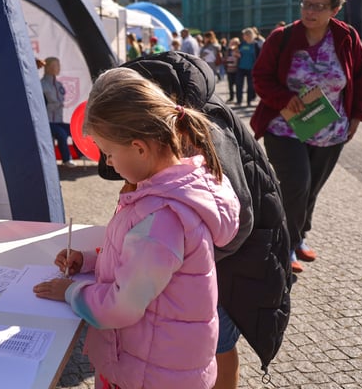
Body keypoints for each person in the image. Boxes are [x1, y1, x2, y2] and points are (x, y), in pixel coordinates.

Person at [89, 52, 291, 388]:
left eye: (109, 152)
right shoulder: (166, 138)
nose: (108, 164)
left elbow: (234, 222)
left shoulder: (199, 138)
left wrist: (181, 260)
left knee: (220, 347)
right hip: (194, 286)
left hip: (231, 272)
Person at [33, 67, 241, 389]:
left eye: (109, 153)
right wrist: (88, 259)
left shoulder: (161, 217)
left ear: (139, 148)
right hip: (152, 360)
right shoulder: (165, 191)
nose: (109, 163)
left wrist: (70, 291)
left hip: (151, 373)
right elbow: (132, 257)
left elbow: (122, 306)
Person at [251, 0, 362, 274]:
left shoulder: (346, 37)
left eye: (319, 6)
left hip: (330, 129)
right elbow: (261, 77)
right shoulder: (282, 37)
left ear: (335, 9)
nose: (310, 12)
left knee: (312, 188)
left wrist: (357, 115)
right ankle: (285, 244)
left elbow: (358, 80)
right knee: (296, 186)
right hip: (285, 127)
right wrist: (283, 98)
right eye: (306, 4)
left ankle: (301, 235)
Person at [41, 56, 76, 167]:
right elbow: (41, 105)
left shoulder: (59, 85)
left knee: (74, 129)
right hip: (47, 122)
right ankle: (66, 159)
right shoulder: (41, 85)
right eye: (56, 65)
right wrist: (54, 104)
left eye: (59, 65)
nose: (59, 68)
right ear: (48, 67)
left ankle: (81, 154)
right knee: (61, 133)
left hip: (58, 120)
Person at [235, 28, 259, 106]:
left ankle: (249, 101)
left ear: (249, 35)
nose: (243, 36)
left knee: (250, 86)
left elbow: (259, 56)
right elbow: (238, 53)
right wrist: (237, 55)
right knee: (239, 84)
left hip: (251, 68)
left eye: (244, 35)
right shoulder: (242, 44)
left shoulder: (255, 45)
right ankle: (239, 101)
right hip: (241, 67)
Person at [224, 37, 241, 103]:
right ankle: (231, 97)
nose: (233, 44)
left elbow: (240, 58)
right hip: (229, 70)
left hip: (237, 70)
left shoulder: (239, 50)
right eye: (232, 43)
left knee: (238, 85)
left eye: (235, 43)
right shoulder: (228, 50)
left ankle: (238, 98)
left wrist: (237, 55)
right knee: (230, 85)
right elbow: (225, 59)